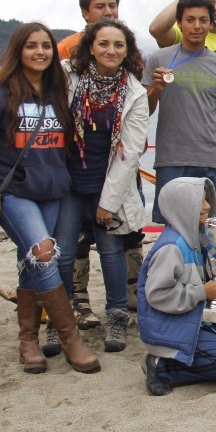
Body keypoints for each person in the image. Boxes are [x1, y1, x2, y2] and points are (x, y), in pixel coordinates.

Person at [0, 23, 100, 374]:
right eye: (32, 46)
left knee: (31, 259)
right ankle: (70, 339)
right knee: (44, 254)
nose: (40, 52)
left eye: (46, 46)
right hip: (14, 190)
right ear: (18, 50)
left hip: (53, 191)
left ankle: (28, 341)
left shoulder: (57, 91)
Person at [56, 19, 148, 353]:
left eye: (119, 45)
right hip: (66, 182)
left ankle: (117, 315)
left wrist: (107, 201)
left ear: (128, 50)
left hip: (106, 182)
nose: (111, 50)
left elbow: (131, 151)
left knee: (111, 251)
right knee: (64, 252)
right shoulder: (68, 76)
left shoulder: (134, 91)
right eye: (104, 43)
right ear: (90, 46)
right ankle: (59, 317)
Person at [137, 178, 216, 396]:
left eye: (206, 200)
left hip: (193, 318)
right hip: (173, 326)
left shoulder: (198, 235)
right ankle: (161, 367)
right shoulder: (172, 248)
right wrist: (201, 292)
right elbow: (156, 295)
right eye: (199, 202)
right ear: (181, 208)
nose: (206, 206)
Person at [142, 0, 216, 223]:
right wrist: (155, 89)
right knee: (172, 225)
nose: (197, 26)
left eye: (203, 20)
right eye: (190, 20)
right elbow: (145, 110)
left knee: (211, 225)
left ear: (210, 22)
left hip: (210, 159)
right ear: (179, 22)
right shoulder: (158, 59)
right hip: (172, 158)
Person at [57, 0, 121, 59]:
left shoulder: (127, 44)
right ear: (85, 13)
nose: (108, 12)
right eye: (100, 7)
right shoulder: (67, 47)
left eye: (112, 6)